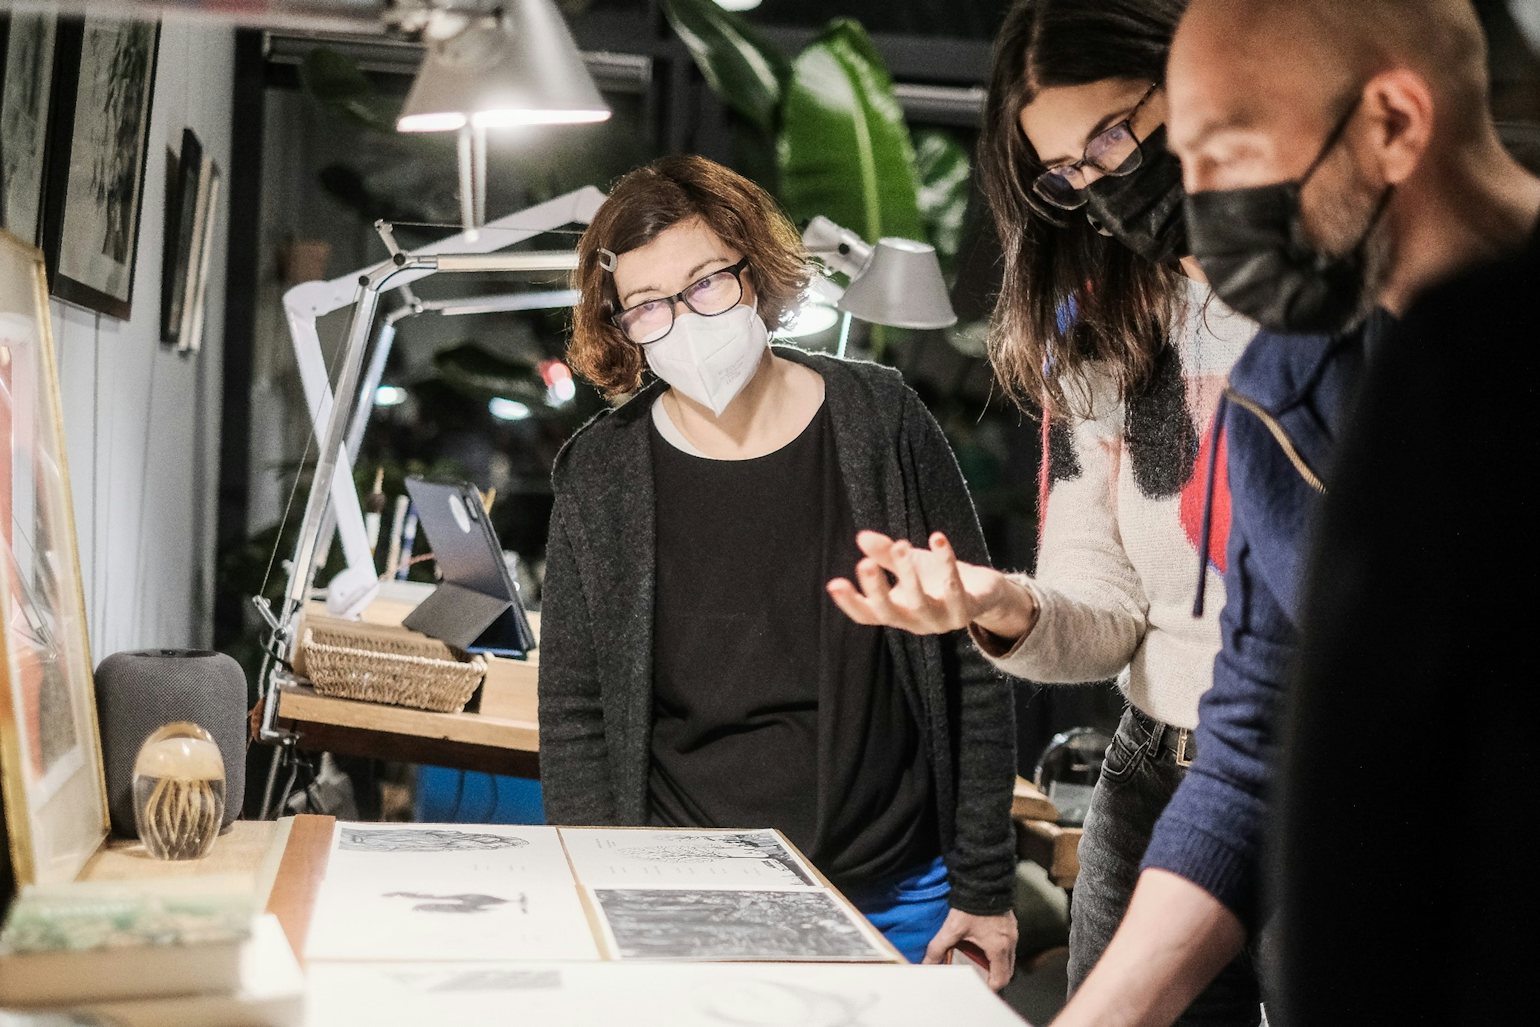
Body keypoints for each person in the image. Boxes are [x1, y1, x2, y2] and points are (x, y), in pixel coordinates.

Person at [1048, 1, 1540, 1024]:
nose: (1197, 205)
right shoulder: (1277, 391)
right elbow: (1254, 740)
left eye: (1226, 155)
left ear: (1393, 124)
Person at [825, 1, 1269, 1020]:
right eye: (1067, 171)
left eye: (1113, 134)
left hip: (1335, 776)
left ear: (1193, 76)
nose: (1102, 181)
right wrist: (1000, 605)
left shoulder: (1339, 311)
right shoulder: (1104, 333)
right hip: (1157, 773)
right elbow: (1104, 611)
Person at [536, 154, 1018, 983]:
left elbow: (974, 654)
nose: (684, 318)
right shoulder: (601, 471)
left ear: (752, 272)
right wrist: (605, 886)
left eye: (706, 283)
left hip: (895, 890)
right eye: (648, 305)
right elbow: (576, 710)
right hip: (684, 896)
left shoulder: (881, 418)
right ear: (621, 326)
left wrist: (986, 883)